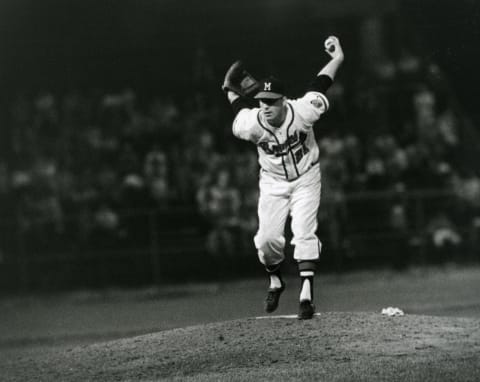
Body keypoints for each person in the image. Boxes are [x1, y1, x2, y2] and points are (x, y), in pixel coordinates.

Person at [222, 36, 344, 319]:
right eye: (262, 101)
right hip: (273, 182)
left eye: (272, 101)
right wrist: (227, 89)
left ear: (284, 101)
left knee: (303, 231)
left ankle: (306, 297)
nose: (265, 106)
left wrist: (337, 59)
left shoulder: (302, 111)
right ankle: (275, 280)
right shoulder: (250, 123)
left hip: (306, 177)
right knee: (266, 240)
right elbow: (237, 105)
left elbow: (321, 84)